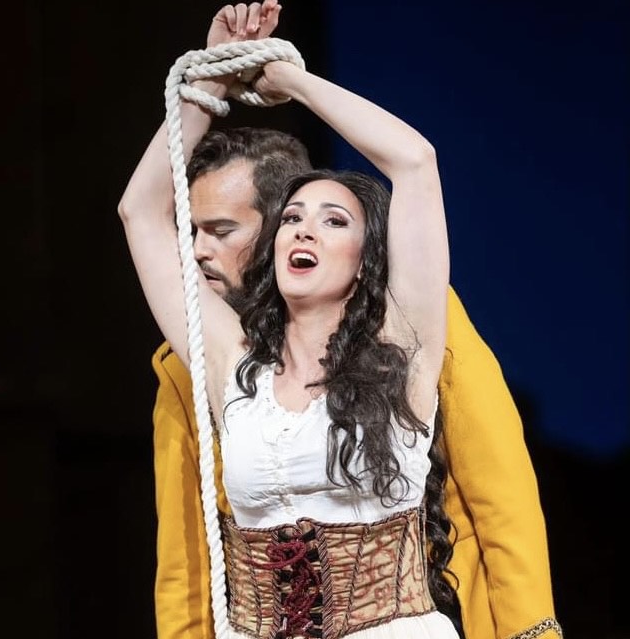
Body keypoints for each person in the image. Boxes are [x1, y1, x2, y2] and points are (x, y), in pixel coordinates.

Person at [122, 3, 562, 639]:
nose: (306, 229)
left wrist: (289, 78)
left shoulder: (405, 349)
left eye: (334, 221)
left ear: (365, 259)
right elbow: (140, 214)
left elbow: (414, 161)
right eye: (293, 218)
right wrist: (209, 84)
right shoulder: (230, 365)